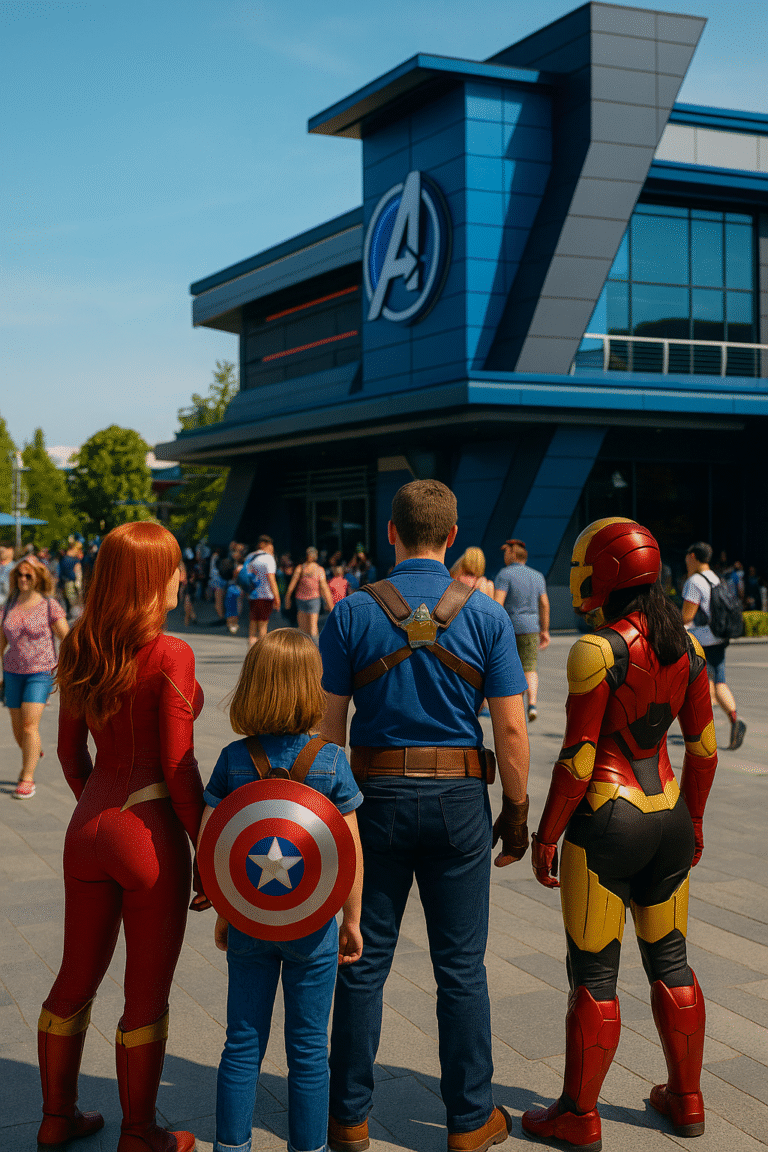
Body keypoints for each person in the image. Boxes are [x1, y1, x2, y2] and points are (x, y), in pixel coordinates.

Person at [319, 479, 531, 1152]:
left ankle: (348, 1117)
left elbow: (328, 733)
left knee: (362, 958)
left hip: (372, 801)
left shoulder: (351, 612)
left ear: (391, 532)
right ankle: (469, 1122)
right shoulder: (489, 616)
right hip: (459, 804)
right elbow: (512, 732)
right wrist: (518, 811)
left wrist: (333, 819)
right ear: (452, 531)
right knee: (461, 968)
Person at [523, 518, 717, 1149]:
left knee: (595, 975)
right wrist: (695, 821)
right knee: (673, 962)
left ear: (603, 572)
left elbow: (579, 756)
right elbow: (706, 749)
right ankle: (686, 1100)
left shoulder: (599, 650)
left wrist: (547, 832)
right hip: (668, 816)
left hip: (607, 820)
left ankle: (579, 1114)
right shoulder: (685, 647)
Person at [38, 521, 210, 1152]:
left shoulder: (81, 644)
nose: (183, 578)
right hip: (149, 830)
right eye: (173, 568)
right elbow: (179, 768)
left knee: (73, 975)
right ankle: (139, 1131)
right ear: (148, 578)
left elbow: (68, 753)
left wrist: (97, 807)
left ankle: (57, 1117)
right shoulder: (171, 653)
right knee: (145, 990)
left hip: (88, 826)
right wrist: (205, 851)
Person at [198, 628, 364, 1152]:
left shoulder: (232, 759)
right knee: (310, 1050)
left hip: (249, 919)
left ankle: (232, 1146)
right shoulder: (333, 761)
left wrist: (225, 911)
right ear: (312, 689)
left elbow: (213, 846)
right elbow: (350, 853)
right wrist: (352, 921)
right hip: (313, 925)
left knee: (242, 1043)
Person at [0, 557, 69, 799]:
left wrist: (70, 668)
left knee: (30, 726)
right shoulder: (8, 605)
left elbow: (66, 638)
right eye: (19, 574)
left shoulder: (50, 605)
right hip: (12, 672)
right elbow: (1, 642)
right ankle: (33, 748)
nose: (23, 579)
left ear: (38, 577)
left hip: (40, 672)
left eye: (28, 575)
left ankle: (26, 777)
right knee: (19, 730)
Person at [681, 541, 746, 751]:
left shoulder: (694, 582)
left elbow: (687, 616)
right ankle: (735, 719)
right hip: (719, 636)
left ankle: (701, 733)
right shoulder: (717, 577)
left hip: (701, 640)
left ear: (692, 557)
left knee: (701, 686)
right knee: (718, 682)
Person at [494, 539, 550, 722]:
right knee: (530, 667)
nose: (504, 556)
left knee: (508, 668)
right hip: (531, 629)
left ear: (512, 554)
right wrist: (545, 630)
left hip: (509, 629)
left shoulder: (505, 574)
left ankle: (513, 707)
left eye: (505, 552)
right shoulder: (537, 576)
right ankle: (532, 704)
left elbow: (498, 603)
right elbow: (544, 604)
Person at [285, 547, 334, 642]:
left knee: (305, 630)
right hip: (312, 599)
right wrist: (330, 605)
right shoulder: (319, 569)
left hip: (303, 599)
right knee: (312, 629)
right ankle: (314, 651)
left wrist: (287, 598)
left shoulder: (301, 568)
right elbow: (324, 588)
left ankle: (308, 651)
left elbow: (292, 585)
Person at [242, 535, 281, 646]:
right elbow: (271, 580)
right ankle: (260, 651)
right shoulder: (268, 558)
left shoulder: (250, 556)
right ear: (266, 545)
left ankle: (251, 646)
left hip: (252, 595)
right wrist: (277, 597)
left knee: (253, 622)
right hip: (265, 596)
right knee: (263, 625)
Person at [0, 540, 14, 606]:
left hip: (7, 607)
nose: (0, 554)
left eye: (2, 551)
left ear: (10, 550)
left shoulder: (16, 569)